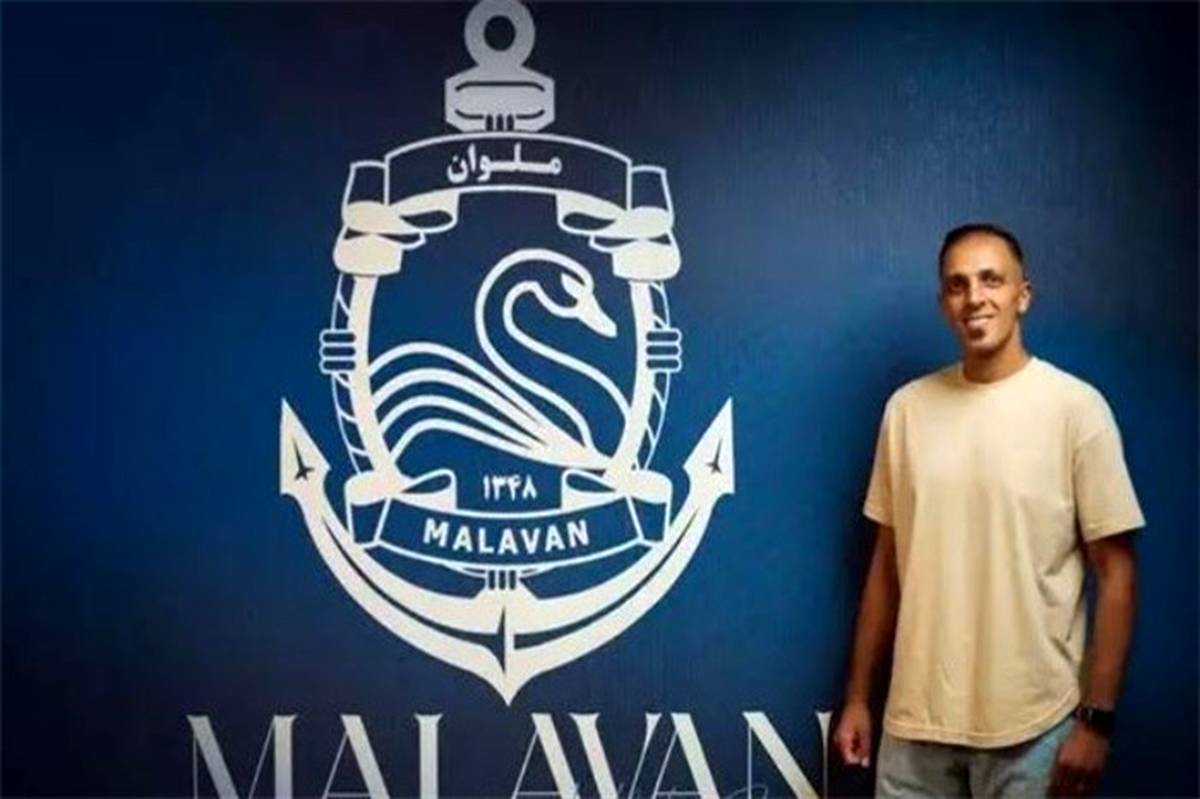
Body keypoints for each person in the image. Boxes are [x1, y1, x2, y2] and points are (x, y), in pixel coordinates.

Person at [833, 223, 1144, 797]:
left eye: (990, 280)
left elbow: (1117, 575)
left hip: (1035, 731)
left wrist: (1096, 723)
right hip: (913, 731)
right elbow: (885, 569)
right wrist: (858, 697)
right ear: (943, 304)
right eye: (957, 285)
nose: (974, 297)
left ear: (1023, 295)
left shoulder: (1077, 410)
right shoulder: (906, 411)